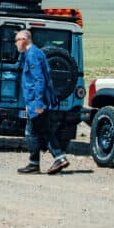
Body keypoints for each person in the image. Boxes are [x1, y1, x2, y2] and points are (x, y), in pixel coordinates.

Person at [15, 29, 68, 174]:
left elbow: (39, 80)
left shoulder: (32, 55)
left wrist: (38, 103)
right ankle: (58, 158)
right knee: (43, 130)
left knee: (31, 131)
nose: (16, 44)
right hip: (38, 100)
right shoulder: (36, 53)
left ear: (24, 40)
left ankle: (35, 164)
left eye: (17, 40)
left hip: (37, 102)